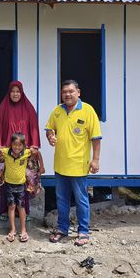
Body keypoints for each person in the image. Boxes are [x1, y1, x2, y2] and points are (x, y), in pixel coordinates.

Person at [45, 80, 101, 246]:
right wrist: (50, 136)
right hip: (60, 165)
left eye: (71, 91)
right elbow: (49, 128)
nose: (67, 94)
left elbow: (96, 138)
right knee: (61, 199)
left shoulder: (88, 110)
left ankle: (83, 231)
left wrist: (95, 160)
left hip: (79, 165)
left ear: (78, 92)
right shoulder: (57, 110)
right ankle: (62, 228)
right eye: (64, 92)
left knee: (81, 199)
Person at [0, 81, 41, 221]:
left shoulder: (29, 109)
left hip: (25, 152)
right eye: (13, 91)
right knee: (5, 181)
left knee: (25, 181)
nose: (15, 94)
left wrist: (34, 146)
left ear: (22, 93)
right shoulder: (2, 108)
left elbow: (34, 128)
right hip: (6, 152)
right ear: (9, 93)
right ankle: (4, 211)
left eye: (18, 91)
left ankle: (24, 211)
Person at [0, 132, 35, 243]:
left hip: (21, 185)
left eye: (20, 145)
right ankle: (12, 229)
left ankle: (23, 230)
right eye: (14, 145)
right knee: (11, 206)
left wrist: (33, 150)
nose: (17, 147)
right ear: (11, 144)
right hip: (9, 185)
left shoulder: (26, 152)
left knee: (21, 207)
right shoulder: (6, 152)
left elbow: (36, 152)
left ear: (23, 145)